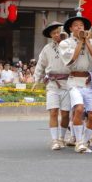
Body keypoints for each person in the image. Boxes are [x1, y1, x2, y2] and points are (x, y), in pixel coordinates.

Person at [59, 14, 92, 154]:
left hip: (89, 81)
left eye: (81, 25)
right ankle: (78, 141)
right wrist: (80, 42)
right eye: (76, 25)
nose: (79, 27)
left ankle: (85, 140)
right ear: (71, 28)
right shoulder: (65, 43)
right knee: (79, 109)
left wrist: (87, 41)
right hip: (74, 81)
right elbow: (71, 59)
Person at [33, 22, 71, 150]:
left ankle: (62, 137)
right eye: (53, 33)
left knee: (66, 114)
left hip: (67, 83)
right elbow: (40, 65)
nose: (56, 35)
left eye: (58, 32)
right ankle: (54, 140)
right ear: (50, 35)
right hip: (52, 83)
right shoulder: (47, 48)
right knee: (53, 111)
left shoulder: (71, 46)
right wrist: (36, 80)